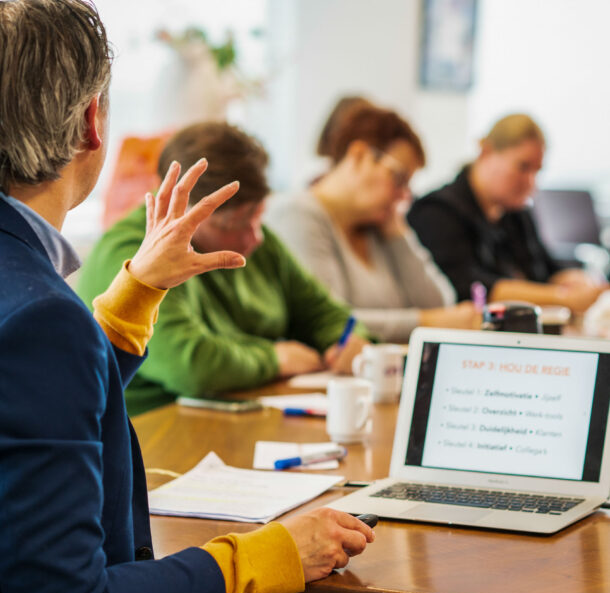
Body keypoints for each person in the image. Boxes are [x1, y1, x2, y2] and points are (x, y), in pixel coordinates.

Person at [0, 2, 374, 593]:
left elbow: (33, 399)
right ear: (91, 123)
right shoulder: (43, 319)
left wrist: (133, 297)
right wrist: (268, 555)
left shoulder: (37, 316)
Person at [78, 121, 369, 415]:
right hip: (157, 430)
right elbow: (190, 366)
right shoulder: (135, 253)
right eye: (235, 223)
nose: (254, 236)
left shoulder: (260, 245)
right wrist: (274, 359)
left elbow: (324, 313)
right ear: (183, 207)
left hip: (241, 415)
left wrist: (347, 342)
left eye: (257, 216)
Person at [266, 103, 479, 342]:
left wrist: (398, 235)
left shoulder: (376, 227)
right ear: (358, 155)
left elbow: (440, 303)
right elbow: (323, 321)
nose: (404, 195)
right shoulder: (297, 215)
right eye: (399, 178)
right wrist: (425, 323)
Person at [408, 113, 608, 311]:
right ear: (486, 152)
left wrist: (574, 280)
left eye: (537, 171)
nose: (531, 182)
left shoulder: (516, 212)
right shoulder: (437, 212)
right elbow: (470, 287)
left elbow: (545, 269)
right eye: (523, 167)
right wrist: (562, 299)